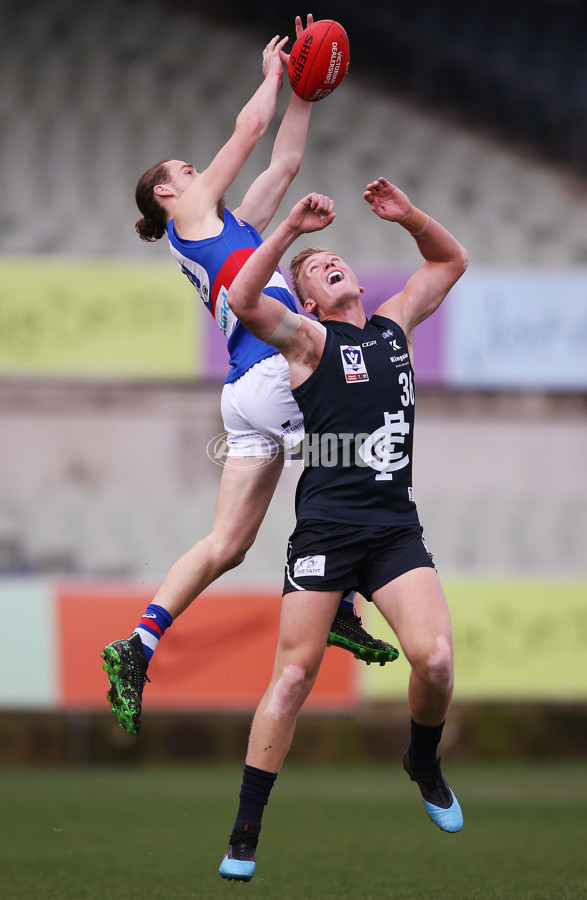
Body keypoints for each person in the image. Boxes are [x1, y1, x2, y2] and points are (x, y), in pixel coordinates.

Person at [101, 17, 398, 739]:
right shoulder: (193, 217)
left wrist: (306, 91)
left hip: (249, 394)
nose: (197, 172)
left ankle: (136, 643)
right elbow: (248, 132)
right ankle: (349, 605)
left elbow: (283, 161)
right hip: (273, 375)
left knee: (227, 545)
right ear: (166, 196)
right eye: (184, 171)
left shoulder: (224, 225)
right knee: (358, 449)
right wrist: (273, 75)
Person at [217, 177, 469, 881]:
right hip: (326, 530)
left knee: (439, 662)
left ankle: (421, 758)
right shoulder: (306, 340)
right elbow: (241, 300)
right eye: (312, 270)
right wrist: (290, 233)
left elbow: (450, 263)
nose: (329, 263)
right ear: (308, 301)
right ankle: (244, 830)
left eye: (334, 257)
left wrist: (410, 216)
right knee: (294, 676)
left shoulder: (394, 324)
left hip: (393, 531)